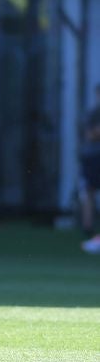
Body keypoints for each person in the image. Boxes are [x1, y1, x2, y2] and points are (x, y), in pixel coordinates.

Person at [79, 84, 100, 254]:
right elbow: (91, 135)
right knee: (89, 191)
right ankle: (88, 230)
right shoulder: (94, 113)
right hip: (94, 158)